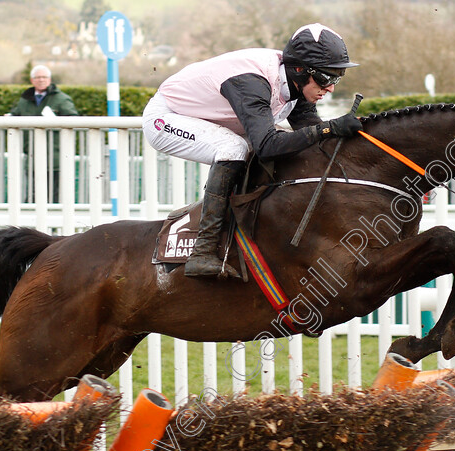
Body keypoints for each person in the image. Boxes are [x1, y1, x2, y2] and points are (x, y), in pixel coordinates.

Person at [142, 23, 362, 278]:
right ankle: (203, 251)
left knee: (288, 144)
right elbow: (268, 146)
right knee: (235, 147)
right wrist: (329, 129)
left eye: (336, 78)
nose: (331, 88)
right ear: (301, 70)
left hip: (209, 119)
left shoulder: (296, 83)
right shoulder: (252, 81)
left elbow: (314, 137)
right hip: (167, 119)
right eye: (326, 78)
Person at [9, 65, 79, 202]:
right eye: (38, 77)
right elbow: (16, 114)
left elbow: (74, 120)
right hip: (32, 155)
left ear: (50, 79)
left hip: (55, 157)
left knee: (54, 195)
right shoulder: (25, 100)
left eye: (44, 77)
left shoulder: (61, 99)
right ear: (32, 80)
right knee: (34, 193)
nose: (41, 80)